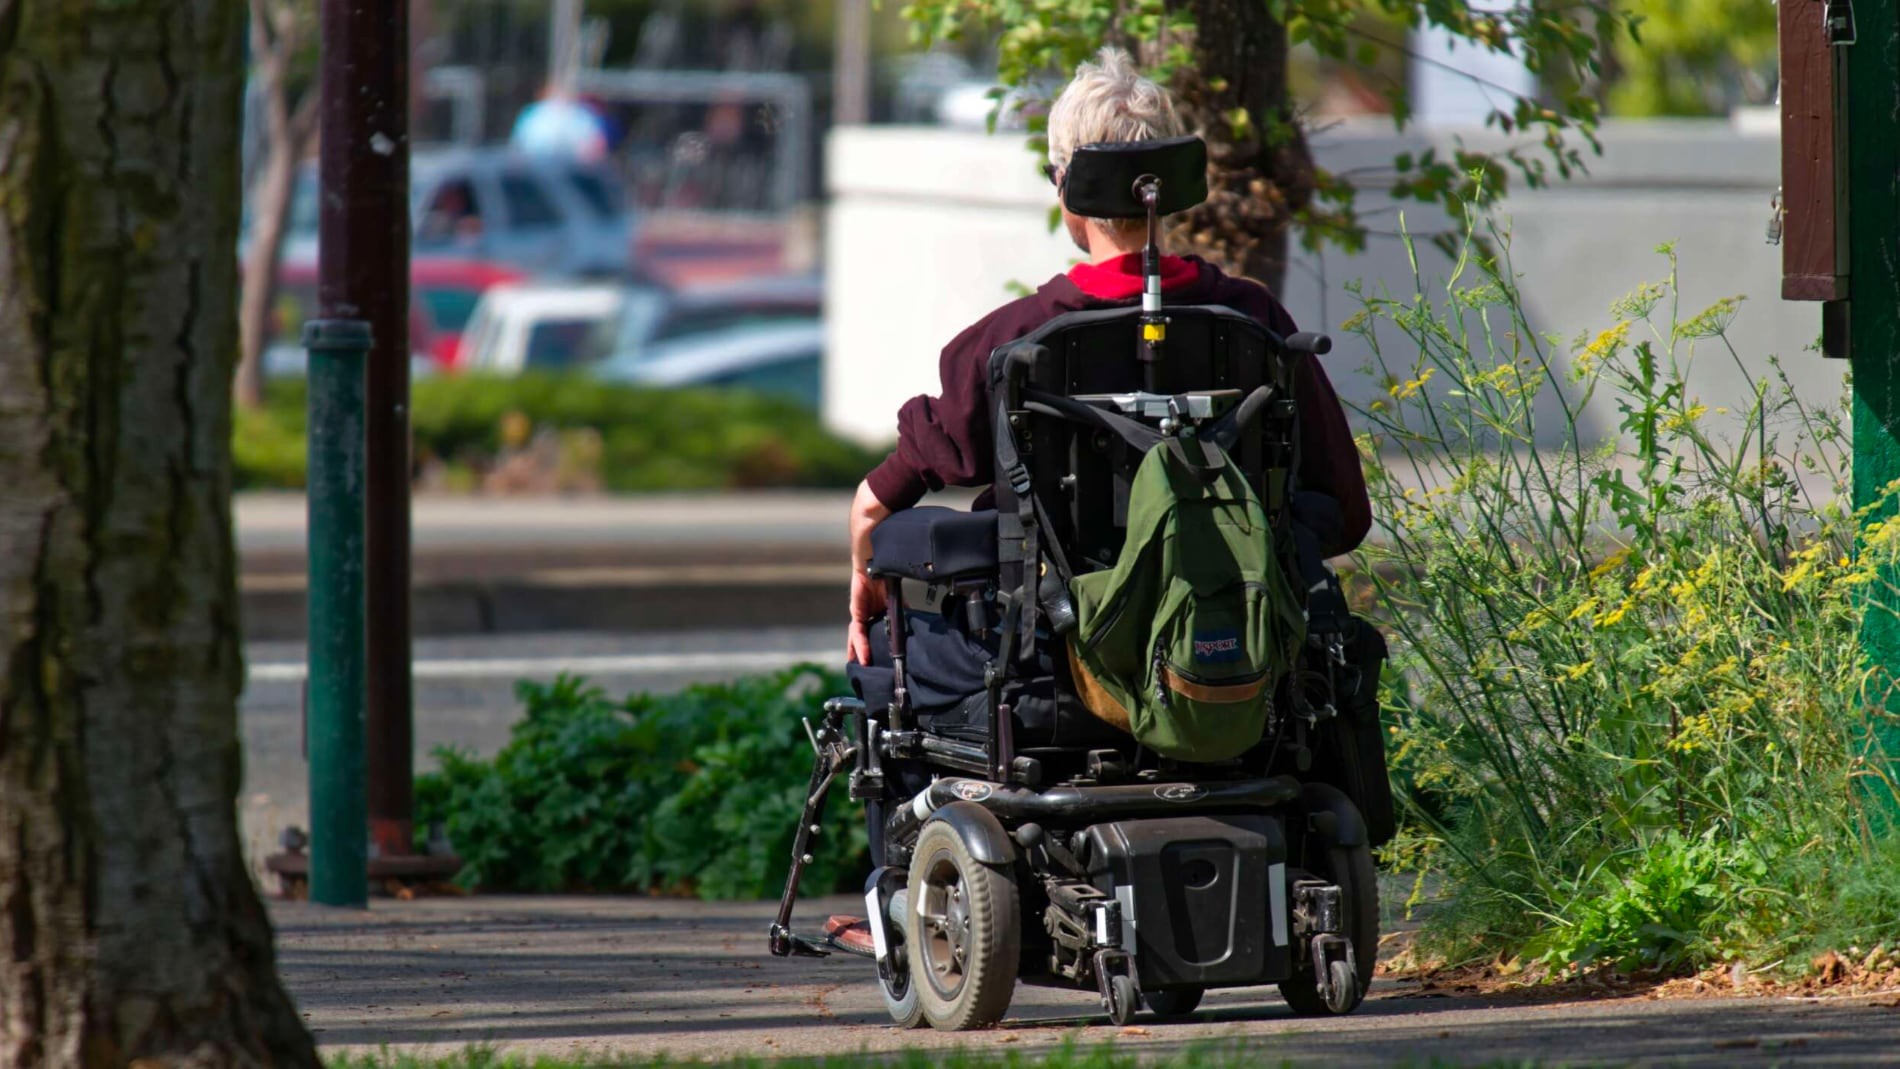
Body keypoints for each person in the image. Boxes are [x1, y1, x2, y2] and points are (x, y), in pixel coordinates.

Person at [822, 47, 1370, 955]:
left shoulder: (1012, 344)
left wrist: (863, 566)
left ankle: (894, 897)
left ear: (1066, 190)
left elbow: (876, 508)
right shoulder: (1256, 329)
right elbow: (1343, 512)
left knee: (892, 641)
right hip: (1230, 659)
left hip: (1058, 669)